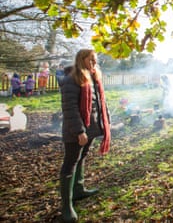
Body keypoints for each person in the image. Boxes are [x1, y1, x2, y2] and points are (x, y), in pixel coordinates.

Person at [59, 49, 111, 222]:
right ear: (81, 60)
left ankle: (79, 190)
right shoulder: (71, 79)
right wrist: (79, 131)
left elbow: (100, 101)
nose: (94, 64)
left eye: (96, 61)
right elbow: (70, 109)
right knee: (70, 163)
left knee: (82, 158)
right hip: (76, 130)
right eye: (91, 60)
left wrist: (105, 123)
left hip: (91, 128)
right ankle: (66, 207)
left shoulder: (93, 77)